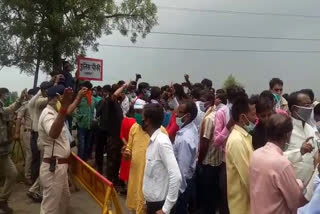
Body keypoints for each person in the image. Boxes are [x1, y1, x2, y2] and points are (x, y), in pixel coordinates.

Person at [39, 85, 86, 214]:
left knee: (63, 201)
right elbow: (53, 133)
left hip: (60, 167)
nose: (66, 102)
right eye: (65, 99)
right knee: (51, 207)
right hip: (53, 167)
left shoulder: (56, 112)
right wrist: (64, 107)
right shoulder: (48, 114)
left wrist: (78, 98)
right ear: (58, 98)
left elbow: (67, 111)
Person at [250, 114, 307, 214]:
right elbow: (295, 202)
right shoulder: (283, 164)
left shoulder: (255, 154)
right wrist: (300, 185)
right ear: (287, 135)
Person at [124, 99, 167, 214]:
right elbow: (129, 148)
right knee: (135, 207)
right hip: (135, 175)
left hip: (150, 180)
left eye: (140, 113)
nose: (138, 116)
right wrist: (126, 154)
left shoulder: (161, 132)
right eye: (136, 112)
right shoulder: (133, 128)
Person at [142, 103, 182, 214]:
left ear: (148, 120)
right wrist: (146, 202)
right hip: (152, 203)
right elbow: (151, 176)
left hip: (160, 205)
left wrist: (165, 209)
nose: (140, 120)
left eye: (142, 117)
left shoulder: (162, 142)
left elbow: (176, 176)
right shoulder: (152, 141)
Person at [213, 86, 246, 214]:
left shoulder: (245, 114)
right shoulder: (222, 113)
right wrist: (229, 125)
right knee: (226, 200)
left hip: (244, 161)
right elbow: (216, 142)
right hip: (227, 164)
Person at [225, 95, 256, 214]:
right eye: (253, 115)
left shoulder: (244, 137)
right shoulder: (236, 141)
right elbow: (247, 176)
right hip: (241, 205)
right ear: (243, 117)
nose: (255, 118)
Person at [0, 88, 26, 213]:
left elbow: (10, 109)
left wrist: (20, 99)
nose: (5, 98)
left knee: (12, 174)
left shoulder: (2, 110)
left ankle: (2, 200)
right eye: (4, 96)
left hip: (3, 153)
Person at [197, 90, 223, 214]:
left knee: (207, 192)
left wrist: (200, 159)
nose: (201, 103)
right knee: (213, 191)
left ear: (210, 102)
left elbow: (205, 142)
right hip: (218, 159)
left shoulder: (209, 118)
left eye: (203, 101)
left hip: (208, 160)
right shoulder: (220, 114)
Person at [285, 91, 318, 187]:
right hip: (292, 186)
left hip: (310, 186)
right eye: (306, 105)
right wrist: (300, 152)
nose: (310, 109)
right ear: (294, 109)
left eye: (310, 105)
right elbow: (277, 157)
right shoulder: (285, 130)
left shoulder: (310, 129)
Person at [172, 100, 199, 214]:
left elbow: (182, 168)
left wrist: (178, 191)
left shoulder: (184, 139)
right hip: (188, 179)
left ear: (187, 116)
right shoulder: (191, 126)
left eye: (180, 112)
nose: (176, 114)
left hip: (182, 184)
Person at [28, 81, 53, 182]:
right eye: (48, 90)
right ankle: (37, 183)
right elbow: (49, 99)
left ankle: (36, 182)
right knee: (41, 159)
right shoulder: (39, 101)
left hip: (36, 133)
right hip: (38, 134)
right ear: (43, 90)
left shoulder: (36, 100)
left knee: (38, 159)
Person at [14, 89, 35, 185]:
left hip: (36, 133)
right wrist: (17, 132)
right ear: (31, 95)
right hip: (28, 132)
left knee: (34, 154)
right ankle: (27, 176)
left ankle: (33, 174)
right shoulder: (26, 104)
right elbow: (18, 118)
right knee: (29, 154)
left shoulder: (37, 105)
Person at [74, 81, 96, 161]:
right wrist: (79, 117)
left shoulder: (93, 99)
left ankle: (85, 163)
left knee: (87, 146)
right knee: (81, 146)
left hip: (90, 125)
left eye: (83, 88)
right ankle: (80, 163)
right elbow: (73, 109)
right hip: (81, 125)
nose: (81, 90)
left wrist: (94, 119)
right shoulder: (79, 98)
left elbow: (95, 111)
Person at [95, 85, 111, 173]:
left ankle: (101, 168)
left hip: (104, 129)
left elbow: (97, 113)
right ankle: (103, 167)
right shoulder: (105, 101)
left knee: (102, 149)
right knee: (104, 149)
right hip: (106, 129)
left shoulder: (105, 102)